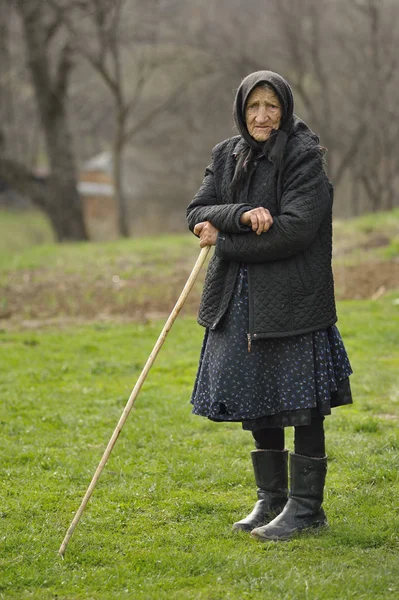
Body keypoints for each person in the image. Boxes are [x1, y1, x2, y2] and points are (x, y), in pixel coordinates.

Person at [186, 71, 353, 542]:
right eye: (253, 106)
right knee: (258, 395)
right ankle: (272, 499)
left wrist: (225, 241)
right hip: (239, 300)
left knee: (301, 402)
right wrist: (237, 215)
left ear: (286, 109)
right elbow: (197, 212)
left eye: (272, 106)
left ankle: (306, 509)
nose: (262, 116)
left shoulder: (305, 159)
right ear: (241, 110)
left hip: (294, 299)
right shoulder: (226, 154)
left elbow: (296, 230)